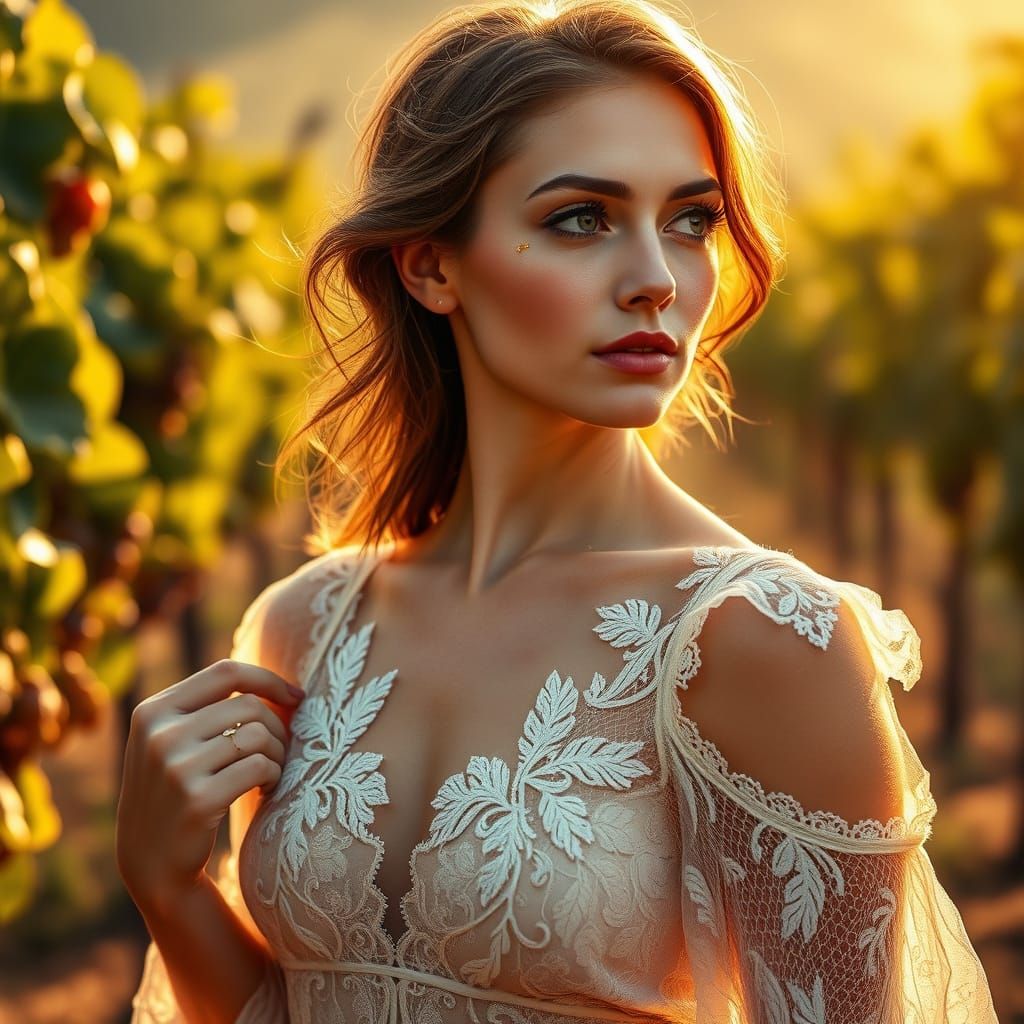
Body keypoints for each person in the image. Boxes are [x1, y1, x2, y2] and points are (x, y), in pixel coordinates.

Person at [116, 1, 999, 1021]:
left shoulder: (756, 639)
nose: (654, 281)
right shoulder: (304, 626)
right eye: (580, 217)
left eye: (691, 219)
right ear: (430, 264)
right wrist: (171, 891)